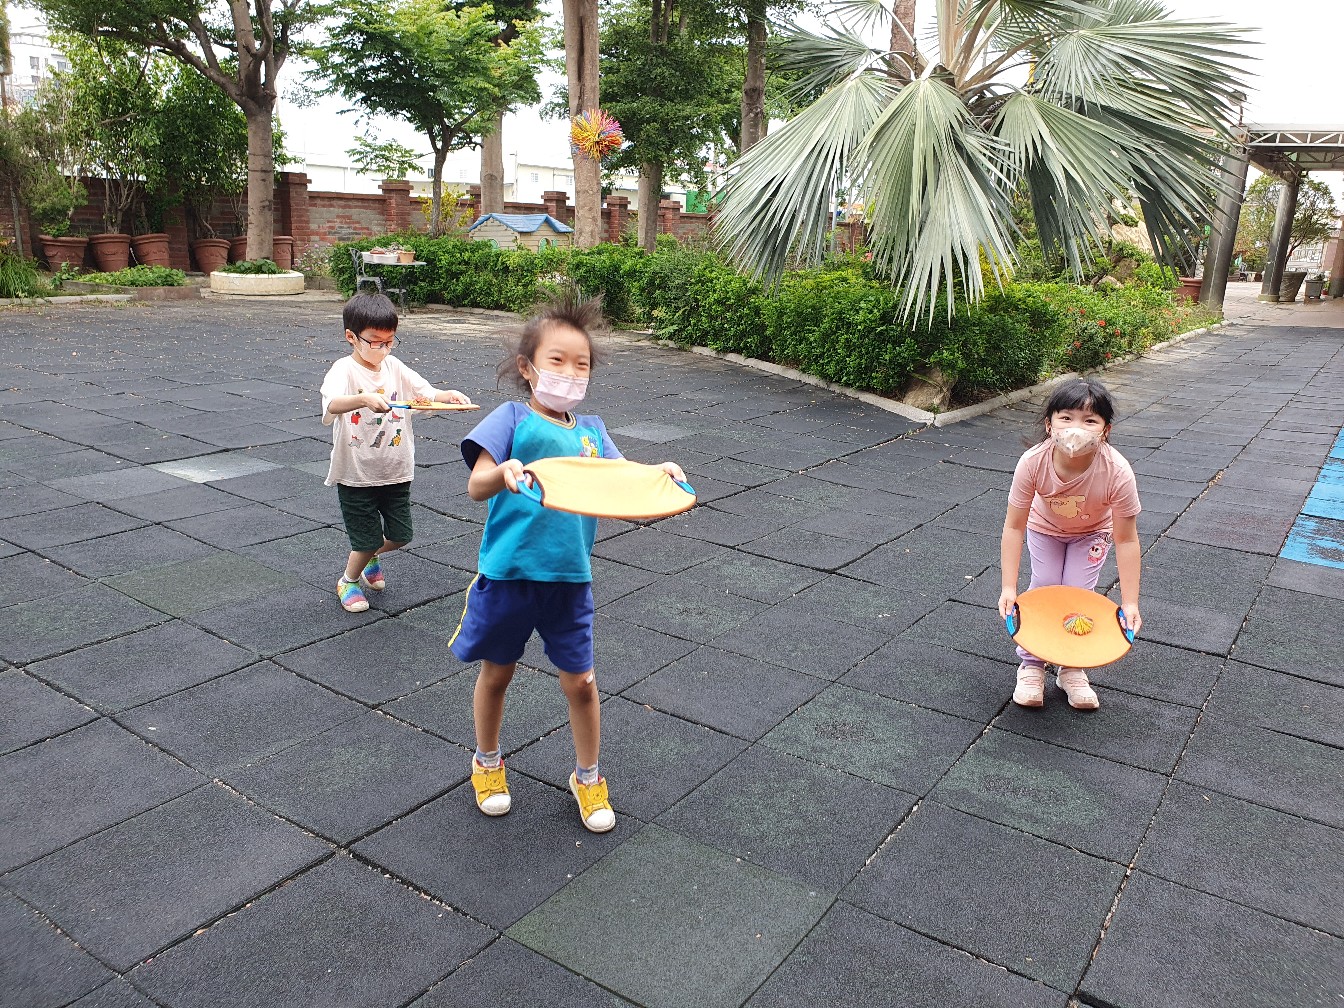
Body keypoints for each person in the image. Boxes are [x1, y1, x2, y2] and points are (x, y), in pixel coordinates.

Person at [449, 291, 685, 833]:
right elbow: (476, 485)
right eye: (557, 360)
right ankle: (487, 762)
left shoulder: (591, 432)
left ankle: (588, 776)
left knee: (580, 683)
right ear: (527, 367)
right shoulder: (512, 419)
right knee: (497, 673)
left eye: (582, 364)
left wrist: (659, 474)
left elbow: (624, 480)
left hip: (570, 580)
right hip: (509, 575)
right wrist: (503, 471)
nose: (571, 373)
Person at [320, 292, 472, 612]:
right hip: (356, 474)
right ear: (351, 337)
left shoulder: (394, 366)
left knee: (402, 535)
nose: (384, 349)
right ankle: (348, 580)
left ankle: (369, 557)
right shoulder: (343, 370)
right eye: (376, 342)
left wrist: (446, 395)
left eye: (390, 341)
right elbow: (332, 404)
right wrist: (363, 399)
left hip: (396, 470)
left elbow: (424, 392)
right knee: (366, 539)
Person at [998, 377, 1143, 710]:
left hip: (1092, 533)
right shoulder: (1033, 462)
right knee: (1046, 587)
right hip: (1044, 528)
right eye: (1066, 418)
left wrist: (1130, 603)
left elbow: (1126, 539)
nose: (1076, 428)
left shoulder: (1117, 471)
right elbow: (1014, 527)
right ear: (1049, 425)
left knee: (1078, 595)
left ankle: (1071, 667)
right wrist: (1008, 587)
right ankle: (1032, 664)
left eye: (1090, 420)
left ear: (1105, 430)